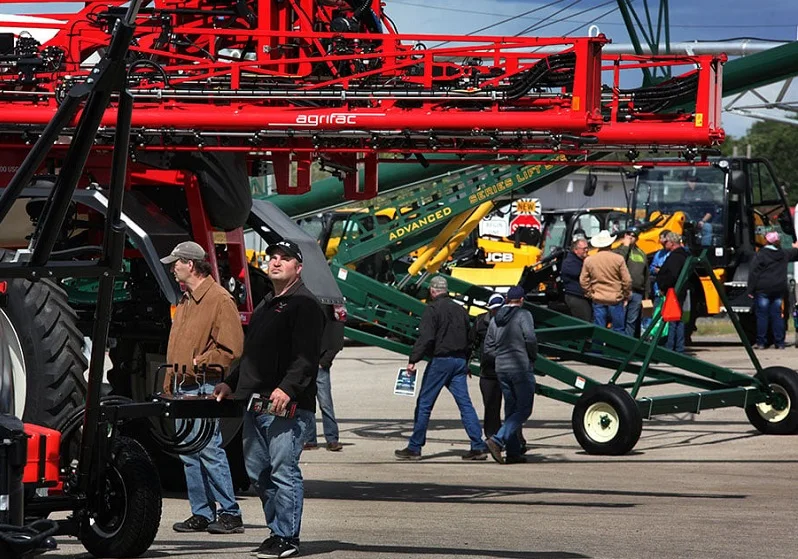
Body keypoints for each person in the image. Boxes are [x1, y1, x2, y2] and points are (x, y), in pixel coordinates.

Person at [213, 239, 325, 559]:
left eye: (285, 259)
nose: (276, 262)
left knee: (283, 470)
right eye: (272, 257)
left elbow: (306, 358)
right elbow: (251, 355)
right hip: (256, 402)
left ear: (298, 267)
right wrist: (229, 383)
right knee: (258, 473)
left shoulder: (304, 304)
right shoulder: (267, 303)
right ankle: (276, 531)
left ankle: (287, 536)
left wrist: (287, 388)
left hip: (285, 406)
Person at [160, 241, 245, 535]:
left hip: (204, 386)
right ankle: (201, 513)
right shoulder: (186, 299)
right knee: (188, 452)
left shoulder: (219, 300)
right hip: (183, 387)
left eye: (176, 263)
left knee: (209, 450)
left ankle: (230, 514)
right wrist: (171, 380)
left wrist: (201, 361)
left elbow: (232, 347)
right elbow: (176, 347)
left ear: (191, 265)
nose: (173, 268)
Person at [395, 275, 488, 461]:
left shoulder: (432, 309)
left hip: (441, 361)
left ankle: (415, 447)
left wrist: (413, 359)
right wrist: (466, 362)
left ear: (432, 291)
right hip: (459, 361)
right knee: (465, 404)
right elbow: (470, 338)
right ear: (446, 290)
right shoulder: (460, 310)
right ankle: (478, 445)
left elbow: (426, 337)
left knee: (424, 404)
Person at [483, 285, 537, 465]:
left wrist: (501, 357)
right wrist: (532, 357)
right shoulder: (524, 315)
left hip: (501, 369)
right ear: (521, 300)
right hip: (520, 366)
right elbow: (530, 338)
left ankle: (513, 452)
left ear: (506, 300)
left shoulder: (494, 319)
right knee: (524, 409)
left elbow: (488, 347)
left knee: (511, 409)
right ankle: (497, 440)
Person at [746, 231, 798, 349]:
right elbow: (795, 253)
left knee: (762, 315)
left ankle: (761, 342)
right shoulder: (784, 253)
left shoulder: (761, 255)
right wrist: (795, 247)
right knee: (777, 315)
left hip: (763, 288)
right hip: (779, 288)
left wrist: (750, 290)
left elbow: (754, 273)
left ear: (766, 241)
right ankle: (779, 342)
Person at [304, 304, 345, 451]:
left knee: (325, 403)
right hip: (307, 362)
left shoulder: (329, 309)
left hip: (319, 363)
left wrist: (324, 361)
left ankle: (332, 438)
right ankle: (310, 439)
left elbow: (336, 339)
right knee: (307, 403)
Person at [579, 230, 632, 334]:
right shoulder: (618, 259)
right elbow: (627, 280)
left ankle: (597, 350)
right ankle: (617, 350)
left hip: (598, 297)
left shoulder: (590, 260)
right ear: (611, 243)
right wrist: (626, 294)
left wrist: (590, 293)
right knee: (618, 330)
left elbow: (583, 280)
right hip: (615, 298)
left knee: (599, 330)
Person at [470, 293, 505, 439]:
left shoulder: (512, 321)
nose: (495, 312)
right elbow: (472, 343)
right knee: (491, 407)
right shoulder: (480, 322)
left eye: (498, 309)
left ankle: (516, 440)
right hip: (488, 372)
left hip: (507, 371)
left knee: (513, 409)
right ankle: (492, 437)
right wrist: (467, 362)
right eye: (493, 309)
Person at [656, 232, 693, 353]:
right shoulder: (686, 255)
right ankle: (679, 346)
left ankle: (671, 347)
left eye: (666, 242)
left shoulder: (675, 257)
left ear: (672, 243)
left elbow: (671, 275)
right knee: (679, 319)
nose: (664, 244)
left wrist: (663, 286)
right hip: (681, 290)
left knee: (672, 319)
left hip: (673, 291)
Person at [613, 228, 649, 337]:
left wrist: (647, 295)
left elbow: (646, 275)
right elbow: (619, 262)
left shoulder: (641, 253)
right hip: (622, 291)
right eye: (629, 235)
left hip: (637, 292)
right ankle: (618, 345)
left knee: (632, 322)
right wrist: (626, 246)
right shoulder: (618, 250)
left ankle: (628, 345)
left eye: (634, 236)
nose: (631, 237)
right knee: (620, 321)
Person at [561, 237, 592, 322]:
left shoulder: (582, 260)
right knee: (586, 320)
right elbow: (581, 274)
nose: (586, 250)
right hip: (576, 296)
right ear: (576, 250)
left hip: (584, 296)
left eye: (587, 248)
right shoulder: (569, 262)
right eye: (584, 249)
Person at [681, 175, 716, 246]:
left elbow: (710, 210)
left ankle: (705, 249)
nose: (691, 183)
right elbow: (681, 206)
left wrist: (703, 221)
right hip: (688, 219)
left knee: (707, 227)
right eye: (689, 181)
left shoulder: (705, 192)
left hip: (702, 220)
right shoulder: (685, 192)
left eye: (693, 181)